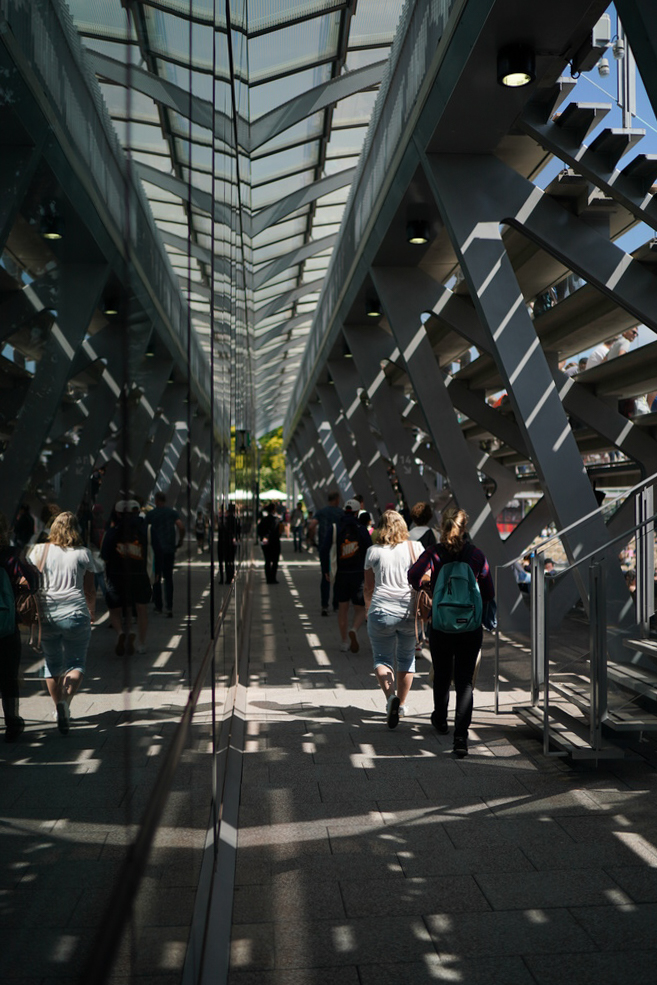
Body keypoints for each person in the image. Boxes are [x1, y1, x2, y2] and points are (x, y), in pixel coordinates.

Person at [408, 506, 494, 758]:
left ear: (442, 526)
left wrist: (429, 585)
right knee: (465, 681)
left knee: (443, 674)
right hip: (469, 627)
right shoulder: (476, 555)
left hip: (441, 624)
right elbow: (488, 593)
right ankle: (460, 738)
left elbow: (412, 575)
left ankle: (440, 718)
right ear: (464, 527)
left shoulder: (434, 553)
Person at [28, 512, 95, 735]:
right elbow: (90, 590)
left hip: (46, 615)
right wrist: (91, 611)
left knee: (52, 663)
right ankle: (66, 703)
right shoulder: (83, 554)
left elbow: (27, 579)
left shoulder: (39, 550)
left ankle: (58, 708)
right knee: (76, 662)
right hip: (76, 614)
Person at [364, 510, 423, 728]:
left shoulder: (373, 551)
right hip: (409, 612)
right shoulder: (415, 547)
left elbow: (369, 587)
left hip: (381, 612)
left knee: (382, 658)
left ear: (380, 528)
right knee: (407, 658)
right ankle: (402, 704)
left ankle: (390, 699)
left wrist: (368, 609)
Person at [0, 513, 38, 741]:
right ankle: (12, 722)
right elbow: (32, 580)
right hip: (6, 625)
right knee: (8, 676)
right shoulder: (11, 556)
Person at [101, 500, 151, 654]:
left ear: (117, 513)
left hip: (117, 576)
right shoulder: (145, 529)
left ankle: (121, 632)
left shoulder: (112, 531)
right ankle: (141, 643)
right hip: (140, 575)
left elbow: (105, 555)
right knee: (141, 609)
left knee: (115, 610)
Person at [322, 498, 372, 652]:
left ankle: (344, 641)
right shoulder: (361, 528)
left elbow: (324, 549)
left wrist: (326, 570)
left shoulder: (335, 528)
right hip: (358, 575)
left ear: (345, 510)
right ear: (357, 512)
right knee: (360, 608)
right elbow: (370, 550)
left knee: (342, 608)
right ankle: (354, 629)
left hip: (341, 574)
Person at [145, 492, 185, 616]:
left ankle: (158, 606)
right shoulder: (172, 513)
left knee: (156, 577)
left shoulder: (151, 514)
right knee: (168, 578)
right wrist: (180, 540)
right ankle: (169, 607)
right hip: (169, 549)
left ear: (156, 500)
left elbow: (145, 530)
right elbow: (181, 526)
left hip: (156, 550)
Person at [315, 491, 343, 615]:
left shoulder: (321, 512)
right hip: (338, 548)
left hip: (324, 547)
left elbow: (312, 525)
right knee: (337, 576)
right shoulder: (341, 513)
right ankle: (336, 604)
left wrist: (311, 539)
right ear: (336, 500)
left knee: (325, 575)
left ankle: (324, 605)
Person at [257, 503, 281, 583]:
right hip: (275, 542)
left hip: (266, 542)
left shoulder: (263, 519)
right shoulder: (277, 520)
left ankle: (268, 579)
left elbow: (259, 531)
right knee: (275, 561)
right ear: (273, 510)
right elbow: (279, 532)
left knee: (267, 560)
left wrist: (263, 537)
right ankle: (273, 578)